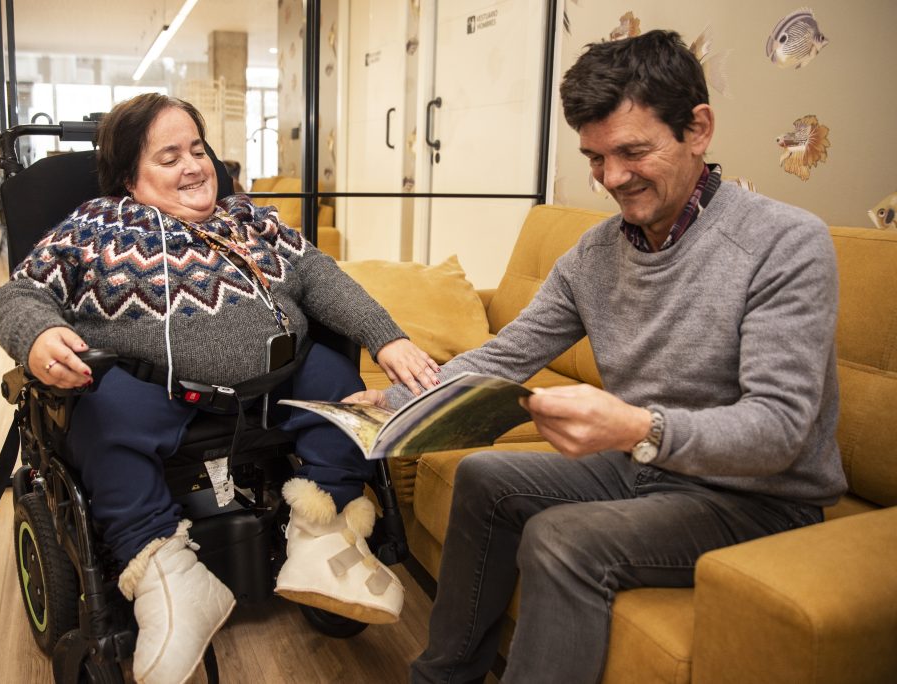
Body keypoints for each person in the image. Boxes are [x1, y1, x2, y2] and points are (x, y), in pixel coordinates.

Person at [350, 30, 845, 682]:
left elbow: (780, 429)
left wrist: (639, 428)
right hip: (647, 467)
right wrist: (392, 401)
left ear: (698, 129)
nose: (611, 179)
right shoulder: (595, 254)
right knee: (484, 478)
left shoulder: (785, 244)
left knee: (562, 539)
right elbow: (506, 355)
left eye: (633, 152)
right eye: (595, 158)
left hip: (757, 499)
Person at [0, 93, 440, 684]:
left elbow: (319, 276)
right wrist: (39, 334)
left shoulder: (247, 217)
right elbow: (19, 294)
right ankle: (167, 578)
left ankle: (321, 535)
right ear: (129, 177)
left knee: (337, 381)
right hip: (155, 390)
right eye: (169, 157)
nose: (193, 167)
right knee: (101, 411)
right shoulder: (95, 228)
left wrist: (386, 337)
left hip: (275, 383)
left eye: (197, 150)